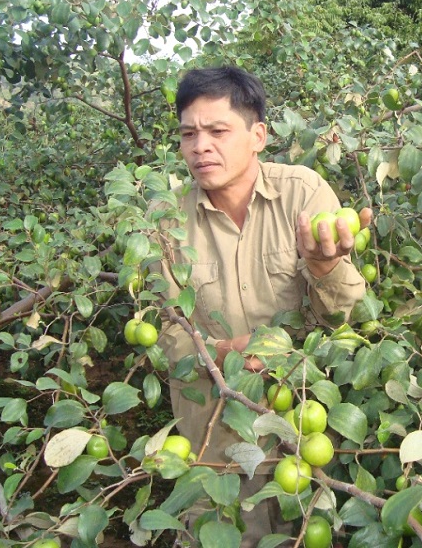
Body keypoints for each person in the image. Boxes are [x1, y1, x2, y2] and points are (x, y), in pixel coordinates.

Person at [149, 65, 370, 546]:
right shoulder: (165, 218)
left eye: (217, 131)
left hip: (299, 421)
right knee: (223, 531)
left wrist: (323, 269)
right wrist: (232, 351)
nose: (200, 145)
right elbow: (164, 328)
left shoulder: (303, 193)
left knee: (303, 528)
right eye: (188, 134)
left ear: (258, 136)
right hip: (213, 431)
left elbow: (338, 318)